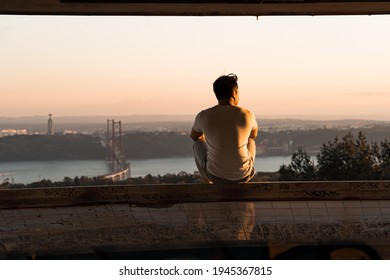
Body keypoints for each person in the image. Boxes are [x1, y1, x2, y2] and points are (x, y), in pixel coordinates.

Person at [190, 73, 258, 184]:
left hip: (214, 176)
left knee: (197, 143)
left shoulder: (203, 115)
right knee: (251, 141)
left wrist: (212, 138)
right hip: (244, 175)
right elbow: (253, 135)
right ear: (234, 93)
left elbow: (194, 136)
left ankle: (208, 183)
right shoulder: (247, 114)